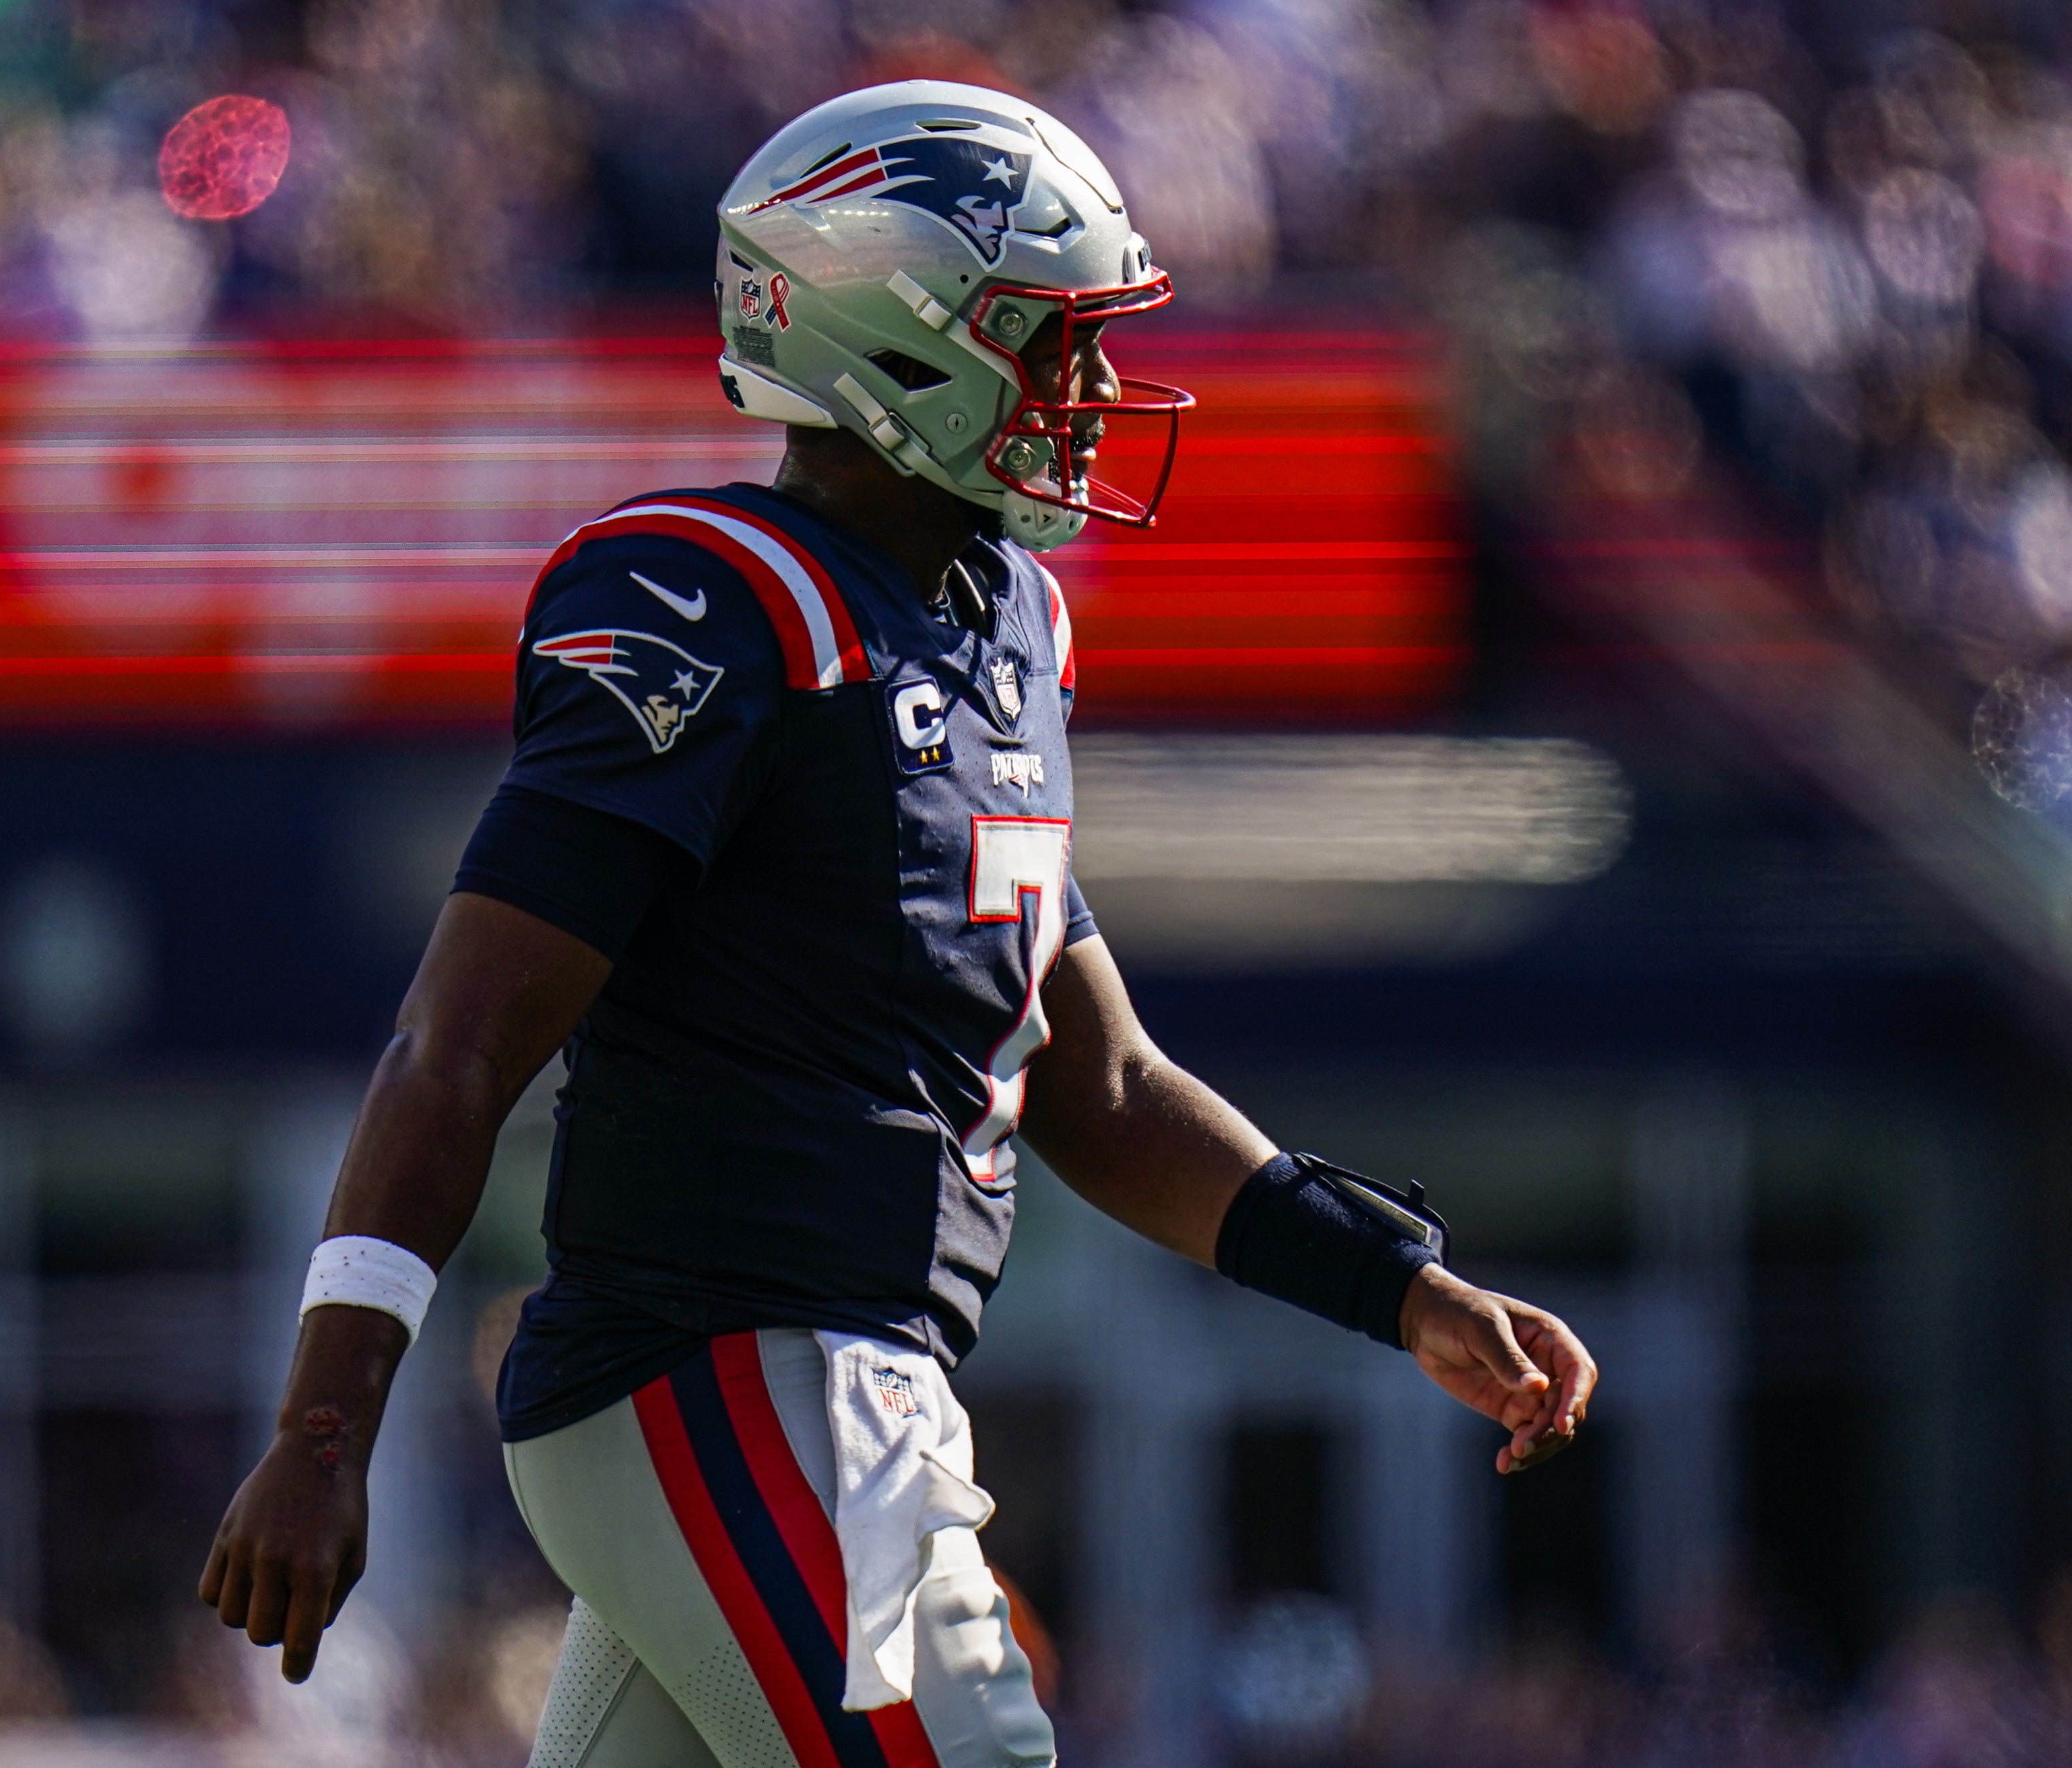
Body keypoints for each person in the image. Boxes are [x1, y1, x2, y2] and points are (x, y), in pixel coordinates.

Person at [198, 80, 1597, 1768]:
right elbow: (461, 1036)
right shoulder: (717, 596)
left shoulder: (1005, 627)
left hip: (835, 1385)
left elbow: (1101, 1087)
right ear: (898, 336)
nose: (1088, 392)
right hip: (729, 1368)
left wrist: (1401, 1286)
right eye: (1048, 339)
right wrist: (325, 1420)